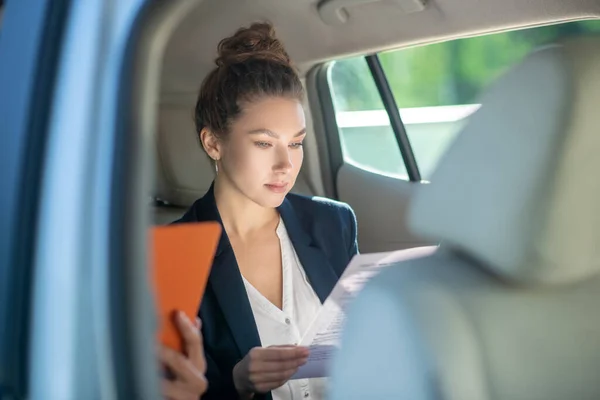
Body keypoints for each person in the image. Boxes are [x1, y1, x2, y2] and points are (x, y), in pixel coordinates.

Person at [174, 21, 359, 400]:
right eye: (264, 143)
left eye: (295, 143)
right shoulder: (173, 254)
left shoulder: (333, 222)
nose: (286, 165)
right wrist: (237, 384)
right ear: (213, 143)